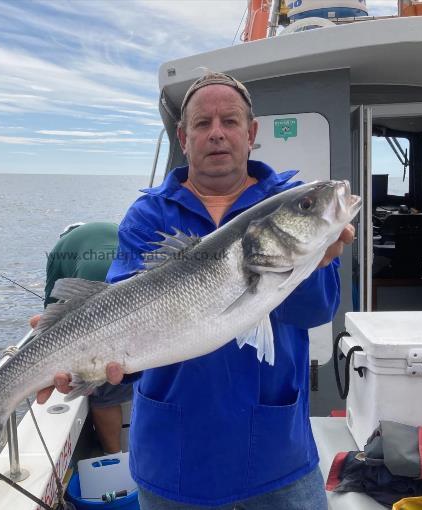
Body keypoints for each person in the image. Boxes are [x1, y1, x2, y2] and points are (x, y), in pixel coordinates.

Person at [38, 72, 355, 509]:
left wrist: (316, 260)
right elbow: (125, 318)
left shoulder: (281, 200)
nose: (217, 133)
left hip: (275, 452)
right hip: (176, 458)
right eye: (203, 124)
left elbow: (316, 310)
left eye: (230, 121)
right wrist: (91, 361)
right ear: (184, 138)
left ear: (252, 133)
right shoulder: (149, 213)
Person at [34, 221, 133, 455]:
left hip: (94, 287)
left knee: (105, 392)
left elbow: (52, 307)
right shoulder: (111, 228)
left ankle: (113, 454)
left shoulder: (60, 248)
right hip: (129, 279)